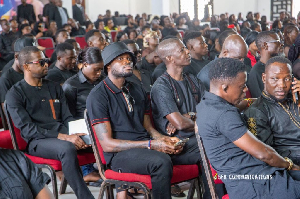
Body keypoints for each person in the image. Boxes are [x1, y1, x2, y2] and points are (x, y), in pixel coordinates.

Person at [86, 42, 184, 199]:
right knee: (161, 162)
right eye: (121, 59)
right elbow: (107, 144)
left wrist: (164, 140)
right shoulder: (98, 96)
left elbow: (148, 127)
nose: (127, 62)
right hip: (119, 157)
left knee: (195, 148)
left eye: (128, 58)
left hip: (145, 147)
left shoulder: (136, 88)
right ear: (108, 66)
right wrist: (152, 145)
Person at [196, 57, 300, 199]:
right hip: (257, 186)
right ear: (225, 87)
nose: (246, 89)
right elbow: (264, 154)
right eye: (242, 86)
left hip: (253, 177)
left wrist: (256, 101)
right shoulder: (225, 114)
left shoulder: (207, 104)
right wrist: (290, 165)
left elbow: (239, 106)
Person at [6, 46, 95, 199]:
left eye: (46, 60)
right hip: (37, 141)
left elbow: (67, 118)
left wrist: (79, 133)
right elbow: (28, 129)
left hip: (62, 135)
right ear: (26, 66)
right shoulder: (15, 93)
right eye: (41, 62)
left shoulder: (54, 87)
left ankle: (123, 186)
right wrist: (66, 137)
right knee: (67, 148)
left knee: (97, 140)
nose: (47, 64)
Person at [244, 56, 300, 165]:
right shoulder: (258, 111)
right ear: (264, 78)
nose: (282, 85)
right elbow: (267, 154)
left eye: (287, 79)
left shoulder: (294, 98)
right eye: (275, 78)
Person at [62, 47, 104, 186]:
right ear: (85, 65)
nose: (99, 73)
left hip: (102, 122)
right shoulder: (71, 85)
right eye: (96, 69)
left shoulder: (103, 80)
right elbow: (68, 114)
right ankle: (86, 171)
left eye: (101, 69)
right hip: (81, 126)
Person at [248, 31, 282, 98]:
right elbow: (261, 100)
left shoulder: (278, 65)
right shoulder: (256, 72)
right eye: (277, 42)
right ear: (265, 45)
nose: (281, 44)